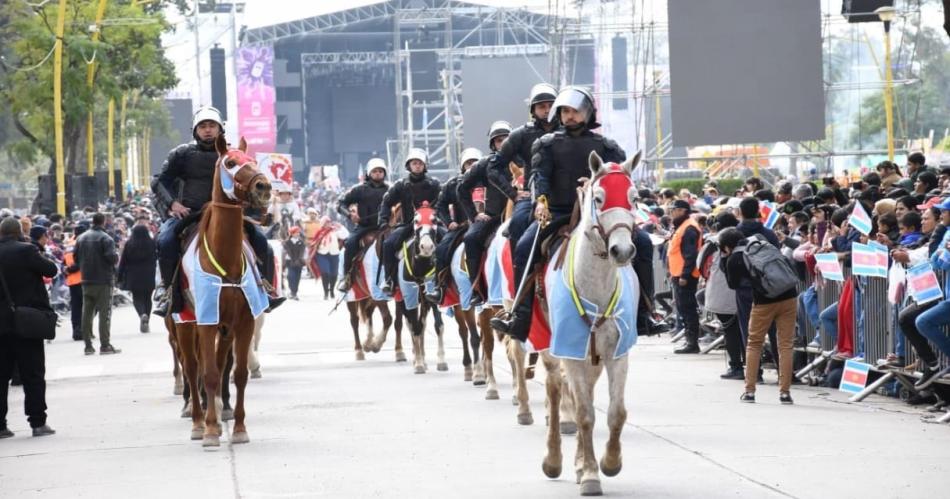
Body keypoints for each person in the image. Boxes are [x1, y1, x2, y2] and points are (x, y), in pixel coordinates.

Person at [492, 86, 625, 340]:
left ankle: (644, 314)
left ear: (587, 112)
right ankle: (520, 319)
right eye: (564, 111)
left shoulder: (607, 146)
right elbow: (539, 175)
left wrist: (596, 183)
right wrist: (540, 201)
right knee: (523, 247)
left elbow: (618, 176)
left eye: (575, 111)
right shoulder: (547, 143)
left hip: (596, 213)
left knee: (638, 241)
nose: (569, 116)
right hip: (556, 212)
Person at [151, 106, 282, 317]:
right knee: (165, 241)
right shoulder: (181, 154)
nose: (208, 130)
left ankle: (266, 290)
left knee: (262, 243)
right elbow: (159, 181)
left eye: (212, 125)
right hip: (191, 213)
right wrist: (172, 204)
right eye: (203, 126)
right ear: (195, 130)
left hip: (228, 215)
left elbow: (246, 181)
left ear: (220, 129)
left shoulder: (233, 155)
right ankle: (168, 293)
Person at [719, 227, 798, 405]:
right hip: (789, 295)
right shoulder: (761, 244)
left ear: (726, 247)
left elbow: (733, 284)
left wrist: (725, 259)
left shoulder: (735, 258)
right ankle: (785, 392)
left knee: (754, 343)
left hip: (764, 300)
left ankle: (750, 391)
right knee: (785, 344)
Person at [0, 217, 58, 439]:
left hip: (1, 326)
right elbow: (51, 270)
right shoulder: (26, 250)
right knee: (33, 374)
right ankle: (37, 422)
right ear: (19, 232)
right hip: (26, 322)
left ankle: (1, 426)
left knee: (1, 376)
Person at [451, 122, 515, 306]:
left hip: (521, 214)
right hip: (492, 218)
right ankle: (476, 289)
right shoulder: (483, 164)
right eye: (499, 140)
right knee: (471, 238)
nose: (503, 143)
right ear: (493, 144)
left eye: (507, 139)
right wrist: (474, 216)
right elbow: (462, 189)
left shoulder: (524, 160)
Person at [488, 83, 558, 253]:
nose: (547, 110)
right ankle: (519, 275)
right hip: (531, 195)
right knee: (518, 222)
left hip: (567, 194)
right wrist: (513, 194)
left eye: (551, 106)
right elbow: (493, 168)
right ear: (533, 110)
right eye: (542, 106)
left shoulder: (569, 132)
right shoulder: (520, 135)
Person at [378, 149, 442, 294]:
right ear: (409, 166)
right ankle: (389, 280)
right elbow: (386, 202)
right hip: (408, 224)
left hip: (432, 225)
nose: (417, 166)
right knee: (388, 244)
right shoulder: (401, 185)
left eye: (420, 163)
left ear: (425, 166)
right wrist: (383, 220)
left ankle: (445, 282)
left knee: (447, 244)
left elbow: (442, 202)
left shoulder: (435, 184)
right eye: (414, 163)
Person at [426, 146, 484, 304]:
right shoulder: (452, 184)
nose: (472, 165)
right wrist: (449, 222)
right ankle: (440, 287)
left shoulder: (490, 177)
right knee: (441, 249)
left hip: (487, 223)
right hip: (462, 226)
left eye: (475, 162)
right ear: (462, 166)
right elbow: (440, 206)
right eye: (468, 163)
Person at [336, 158, 389, 293]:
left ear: (384, 173)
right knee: (350, 243)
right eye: (375, 171)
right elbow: (340, 204)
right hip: (365, 227)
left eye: (380, 171)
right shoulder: (359, 189)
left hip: (387, 226)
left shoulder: (391, 189)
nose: (378, 173)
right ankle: (347, 277)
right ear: (368, 173)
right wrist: (349, 215)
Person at [73, 213, 120, 355]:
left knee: (86, 313)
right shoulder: (106, 238)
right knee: (104, 314)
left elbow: (75, 258)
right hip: (103, 280)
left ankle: (88, 345)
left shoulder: (81, 238)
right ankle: (105, 345)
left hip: (86, 279)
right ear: (103, 222)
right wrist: (116, 256)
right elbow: (111, 258)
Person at [667, 199, 703, 354]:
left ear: (682, 211)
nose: (672, 212)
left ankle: (692, 343)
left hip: (685, 276)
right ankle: (690, 340)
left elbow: (691, 255)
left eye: (674, 210)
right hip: (679, 273)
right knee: (683, 307)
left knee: (688, 309)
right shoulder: (683, 226)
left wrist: (684, 275)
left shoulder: (689, 228)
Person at [116, 224, 157, 333]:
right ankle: (147, 318)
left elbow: (123, 261)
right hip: (149, 274)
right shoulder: (152, 243)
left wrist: (119, 277)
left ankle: (142, 314)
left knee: (137, 297)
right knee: (148, 298)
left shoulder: (130, 244)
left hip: (133, 276)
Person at [314, 216, 347, 300]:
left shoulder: (335, 231)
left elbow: (345, 235)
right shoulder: (319, 232)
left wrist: (341, 227)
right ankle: (325, 292)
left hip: (334, 254)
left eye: (329, 222)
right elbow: (315, 243)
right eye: (326, 223)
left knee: (334, 274)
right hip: (322, 254)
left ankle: (331, 290)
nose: (328, 224)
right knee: (325, 273)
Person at [63, 224, 87, 341]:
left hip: (72, 280)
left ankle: (76, 330)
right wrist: (71, 269)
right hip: (83, 278)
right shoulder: (82, 242)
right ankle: (82, 329)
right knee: (87, 305)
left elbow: (65, 260)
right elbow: (81, 260)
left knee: (76, 307)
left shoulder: (69, 243)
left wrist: (67, 270)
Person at [283, 227, 307, 300]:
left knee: (297, 277)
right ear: (292, 233)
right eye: (296, 232)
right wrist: (292, 260)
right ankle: (292, 291)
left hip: (299, 263)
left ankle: (295, 292)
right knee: (290, 276)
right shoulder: (287, 242)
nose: (298, 234)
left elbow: (302, 252)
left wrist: (299, 259)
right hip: (290, 262)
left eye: (298, 232)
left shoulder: (301, 242)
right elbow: (287, 252)